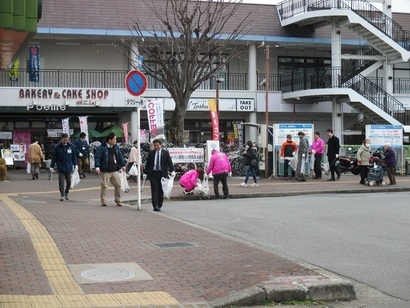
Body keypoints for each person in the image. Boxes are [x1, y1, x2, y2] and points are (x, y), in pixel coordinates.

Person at [94, 133, 127, 206]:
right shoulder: (101, 148)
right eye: (114, 139)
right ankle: (104, 200)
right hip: (105, 170)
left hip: (115, 170)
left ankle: (117, 199)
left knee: (118, 184)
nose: (116, 140)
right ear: (110, 140)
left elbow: (120, 156)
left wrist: (123, 164)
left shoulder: (116, 147)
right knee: (105, 186)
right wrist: (97, 166)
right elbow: (97, 157)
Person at [143, 138, 175, 211]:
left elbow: (169, 162)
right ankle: (155, 205)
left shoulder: (165, 153)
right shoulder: (151, 153)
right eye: (155, 146)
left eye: (157, 145)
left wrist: (172, 170)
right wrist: (145, 172)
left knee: (161, 190)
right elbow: (148, 163)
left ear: (161, 145)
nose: (156, 147)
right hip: (153, 173)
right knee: (154, 189)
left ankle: (160, 204)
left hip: (162, 174)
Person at [50, 133, 78, 201]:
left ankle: (67, 192)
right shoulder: (57, 147)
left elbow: (74, 156)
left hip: (69, 166)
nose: (66, 141)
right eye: (64, 140)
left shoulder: (71, 146)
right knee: (61, 182)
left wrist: (75, 164)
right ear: (61, 139)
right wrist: (52, 166)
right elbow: (54, 157)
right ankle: (62, 195)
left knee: (69, 182)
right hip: (61, 167)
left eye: (67, 140)